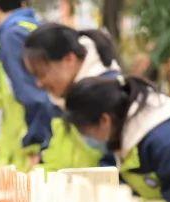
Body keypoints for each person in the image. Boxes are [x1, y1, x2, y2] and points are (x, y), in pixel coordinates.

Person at [23, 23, 121, 170]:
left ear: (69, 59)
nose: (39, 83)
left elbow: (113, 165)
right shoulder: (60, 99)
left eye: (41, 74)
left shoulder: (107, 96)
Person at [0, 0, 58, 169]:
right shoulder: (32, 27)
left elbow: (30, 94)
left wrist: (35, 144)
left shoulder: (11, 36)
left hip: (28, 150)